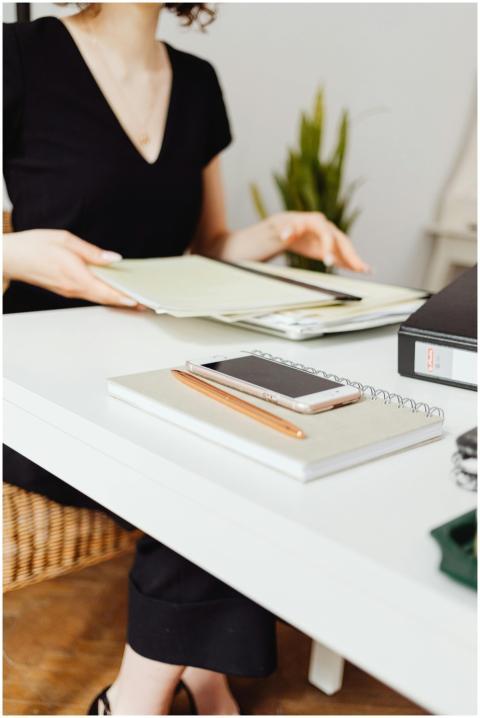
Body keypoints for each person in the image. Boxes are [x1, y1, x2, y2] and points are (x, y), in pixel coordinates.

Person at [3, 3, 369, 715]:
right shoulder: (17, 55)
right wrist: (13, 251)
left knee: (260, 443)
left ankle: (154, 684)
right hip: (32, 377)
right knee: (204, 459)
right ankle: (189, 679)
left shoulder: (198, 82)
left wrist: (275, 231)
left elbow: (202, 249)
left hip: (158, 360)